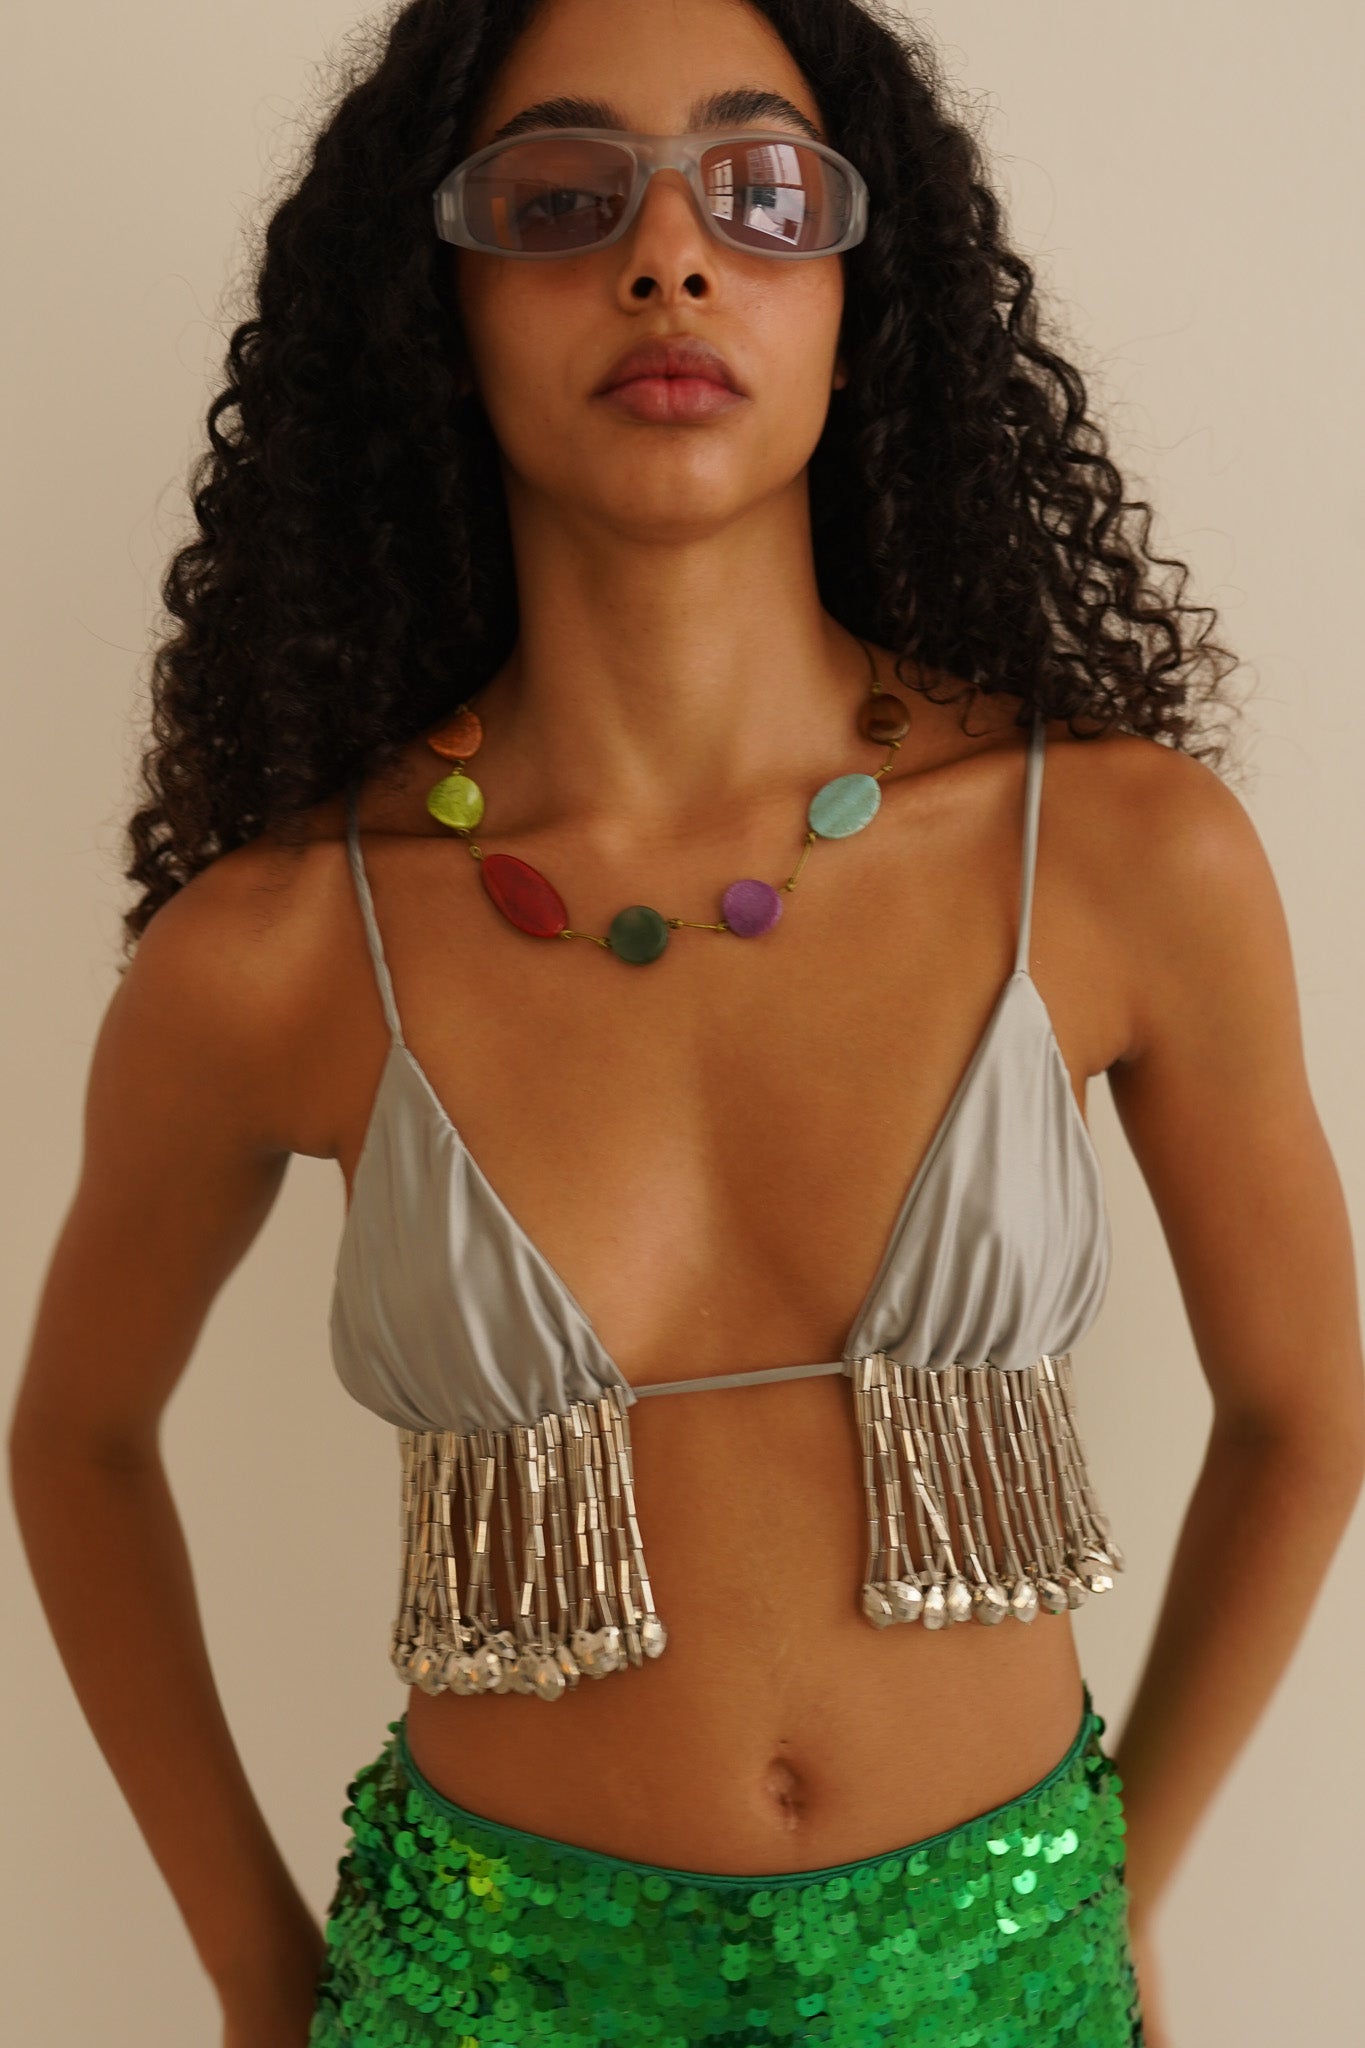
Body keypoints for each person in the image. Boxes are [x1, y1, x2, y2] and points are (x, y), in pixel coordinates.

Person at [9, 1, 1363, 2043]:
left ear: (859, 297)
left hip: (1006, 1985)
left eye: (759, 192)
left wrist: (1104, 1894)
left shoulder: (1111, 857)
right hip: (479, 1998)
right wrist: (253, 1974)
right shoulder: (281, 949)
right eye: (560, 200)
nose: (667, 258)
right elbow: (76, 1441)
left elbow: (1305, 1413)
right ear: (433, 312)